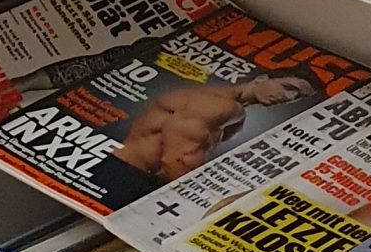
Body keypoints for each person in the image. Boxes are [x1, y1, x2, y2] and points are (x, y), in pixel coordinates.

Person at [109, 71, 315, 185]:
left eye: (296, 96)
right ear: (261, 78)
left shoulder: (228, 108)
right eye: (288, 87)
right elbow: (174, 160)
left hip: (129, 172)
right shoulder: (220, 106)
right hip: (129, 176)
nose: (288, 97)